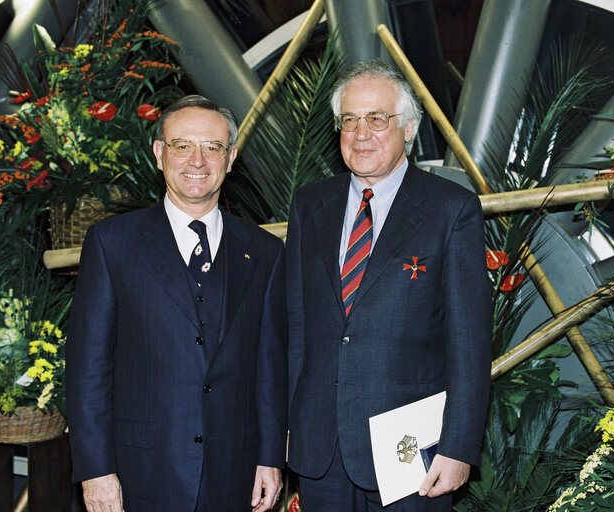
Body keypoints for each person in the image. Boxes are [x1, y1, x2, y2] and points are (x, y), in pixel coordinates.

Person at [286, 60, 491, 511]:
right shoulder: (309, 204)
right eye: (350, 120)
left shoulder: (451, 210)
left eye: (377, 118)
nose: (361, 133)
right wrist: (288, 432)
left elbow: (469, 343)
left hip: (412, 452)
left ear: (408, 128)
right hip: (320, 451)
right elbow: (298, 328)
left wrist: (458, 447)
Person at [66, 95, 287, 512]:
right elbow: (87, 369)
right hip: (139, 472)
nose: (197, 161)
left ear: (231, 157)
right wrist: (95, 470)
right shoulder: (112, 244)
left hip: (234, 473)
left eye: (212, 147)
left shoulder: (264, 252)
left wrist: (270, 457)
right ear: (159, 153)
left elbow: (269, 369)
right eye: (182, 145)